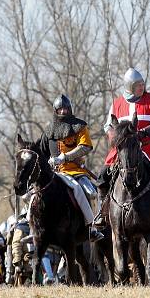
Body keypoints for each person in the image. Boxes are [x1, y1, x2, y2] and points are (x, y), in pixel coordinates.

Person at [98, 67, 150, 232]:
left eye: (142, 84)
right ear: (129, 86)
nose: (141, 87)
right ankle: (102, 213)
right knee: (103, 176)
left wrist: (147, 131)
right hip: (124, 151)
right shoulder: (117, 104)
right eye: (138, 84)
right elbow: (108, 125)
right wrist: (115, 137)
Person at [40, 94, 104, 242]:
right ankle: (35, 229)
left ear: (70, 109)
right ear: (56, 111)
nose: (63, 112)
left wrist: (65, 157)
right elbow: (41, 153)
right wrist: (48, 161)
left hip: (76, 172)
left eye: (65, 108)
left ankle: (93, 228)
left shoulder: (79, 126)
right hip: (56, 175)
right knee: (36, 197)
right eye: (60, 109)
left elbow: (85, 146)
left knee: (92, 193)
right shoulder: (48, 131)